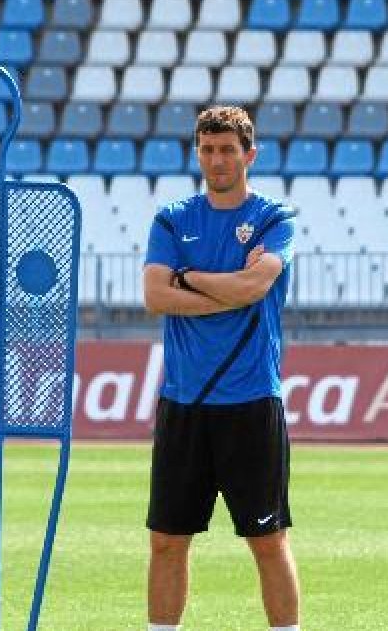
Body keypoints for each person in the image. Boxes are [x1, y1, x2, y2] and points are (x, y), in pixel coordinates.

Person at [141, 106, 300, 631]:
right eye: (208, 149)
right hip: (184, 401)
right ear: (197, 153)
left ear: (249, 155)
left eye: (228, 149)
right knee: (166, 540)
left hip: (251, 399)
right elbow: (154, 297)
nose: (217, 159)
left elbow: (256, 288)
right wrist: (226, 285)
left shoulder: (276, 218)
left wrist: (188, 278)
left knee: (268, 540)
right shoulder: (172, 218)